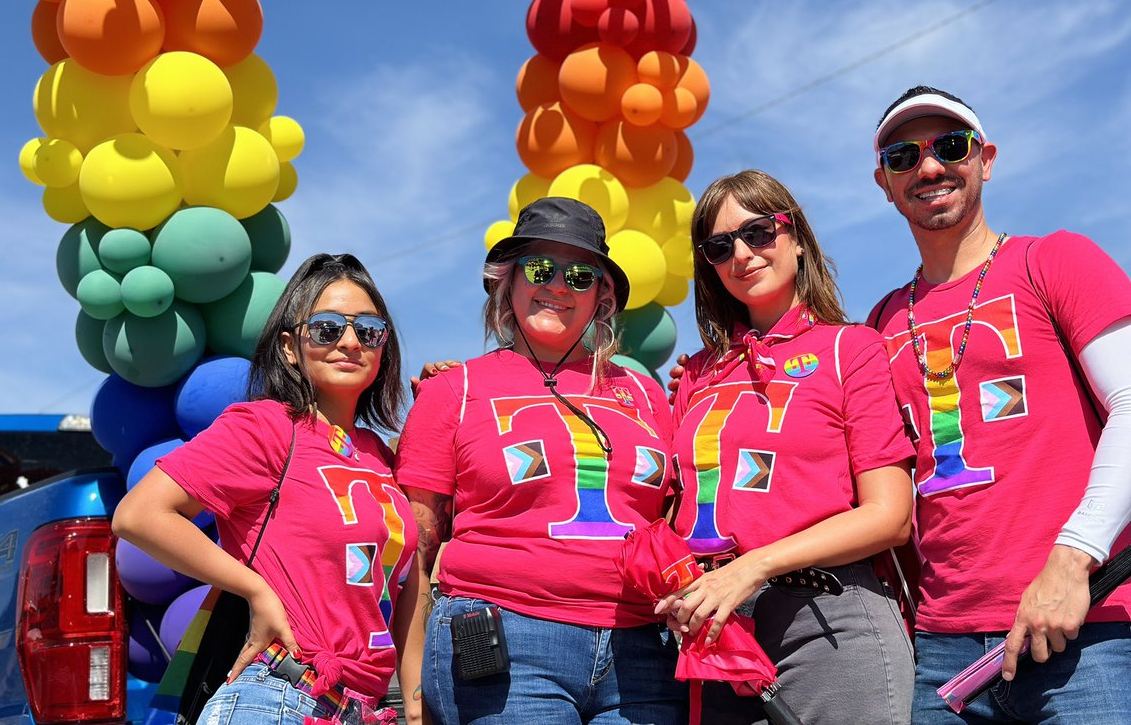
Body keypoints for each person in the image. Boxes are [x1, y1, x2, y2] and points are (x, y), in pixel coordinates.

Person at [868, 86, 1131, 723]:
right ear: (885, 182)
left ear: (985, 158)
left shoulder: (1056, 260)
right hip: (940, 655)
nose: (928, 168)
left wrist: (1072, 561)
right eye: (905, 156)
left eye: (949, 147)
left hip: (1082, 629)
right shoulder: (879, 322)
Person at [395, 197, 687, 725]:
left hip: (642, 650)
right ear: (507, 281)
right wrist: (412, 685)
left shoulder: (645, 393)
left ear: (601, 296)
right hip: (504, 640)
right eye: (540, 268)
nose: (557, 285)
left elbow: (672, 516)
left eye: (579, 275)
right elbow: (417, 547)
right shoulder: (454, 390)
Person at [113, 253, 425, 725]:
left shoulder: (379, 457)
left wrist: (418, 707)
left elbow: (408, 584)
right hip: (278, 697)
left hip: (360, 711)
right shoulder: (268, 427)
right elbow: (139, 515)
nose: (349, 342)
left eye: (368, 330)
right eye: (325, 328)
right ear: (288, 347)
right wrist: (255, 590)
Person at [658, 169, 916, 725]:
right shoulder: (695, 376)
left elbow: (891, 516)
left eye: (758, 233)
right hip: (714, 636)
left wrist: (753, 566)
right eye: (719, 246)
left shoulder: (853, 348)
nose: (742, 254)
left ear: (796, 237)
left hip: (829, 621)